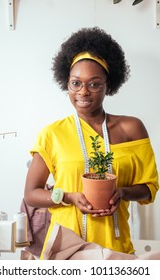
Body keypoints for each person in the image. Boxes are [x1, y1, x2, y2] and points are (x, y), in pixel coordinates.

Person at [24, 27, 159, 258]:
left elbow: (150, 189)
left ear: (109, 85)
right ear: (67, 83)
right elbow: (31, 194)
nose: (83, 92)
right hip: (66, 252)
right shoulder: (52, 134)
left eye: (94, 84)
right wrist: (67, 197)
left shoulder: (132, 129)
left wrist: (123, 192)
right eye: (76, 83)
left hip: (116, 250)